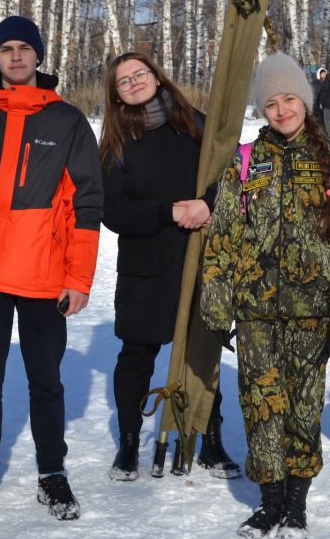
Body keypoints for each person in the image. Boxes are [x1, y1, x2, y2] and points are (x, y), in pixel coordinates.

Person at [0, 15, 103, 523]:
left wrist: (79, 278)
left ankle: (52, 472)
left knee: (45, 380)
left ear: (38, 56)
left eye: (23, 48)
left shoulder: (67, 121)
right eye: (6, 48)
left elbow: (87, 204)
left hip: (44, 276)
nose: (15, 56)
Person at [200, 51, 330, 539]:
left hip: (313, 313)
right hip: (255, 314)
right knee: (261, 405)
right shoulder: (247, 163)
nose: (281, 110)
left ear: (306, 100)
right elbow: (224, 238)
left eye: (290, 98)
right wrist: (216, 306)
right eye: (271, 102)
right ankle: (269, 502)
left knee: (302, 407)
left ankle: (297, 504)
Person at [98, 52, 240, 482]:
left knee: (203, 351)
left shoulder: (196, 124)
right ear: (116, 95)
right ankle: (128, 443)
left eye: (140, 74)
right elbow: (114, 211)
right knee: (137, 354)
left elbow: (230, 176)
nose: (135, 82)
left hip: (199, 259)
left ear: (158, 78)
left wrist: (207, 205)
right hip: (145, 267)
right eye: (125, 81)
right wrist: (170, 212)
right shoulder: (116, 145)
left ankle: (208, 438)